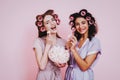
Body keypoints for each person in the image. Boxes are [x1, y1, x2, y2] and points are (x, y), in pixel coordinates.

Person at [64, 9, 101, 80]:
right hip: (69, 75)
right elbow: (70, 63)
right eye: (77, 24)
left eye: (83, 23)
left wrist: (73, 49)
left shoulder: (94, 42)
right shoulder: (75, 40)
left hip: (83, 77)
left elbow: (84, 67)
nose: (80, 26)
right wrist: (66, 50)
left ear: (89, 24)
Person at [33, 9, 66, 80]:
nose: (52, 23)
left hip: (57, 77)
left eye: (53, 20)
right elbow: (42, 66)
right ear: (43, 28)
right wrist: (48, 45)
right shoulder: (38, 41)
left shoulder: (63, 42)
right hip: (44, 77)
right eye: (47, 22)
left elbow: (65, 61)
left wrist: (62, 63)